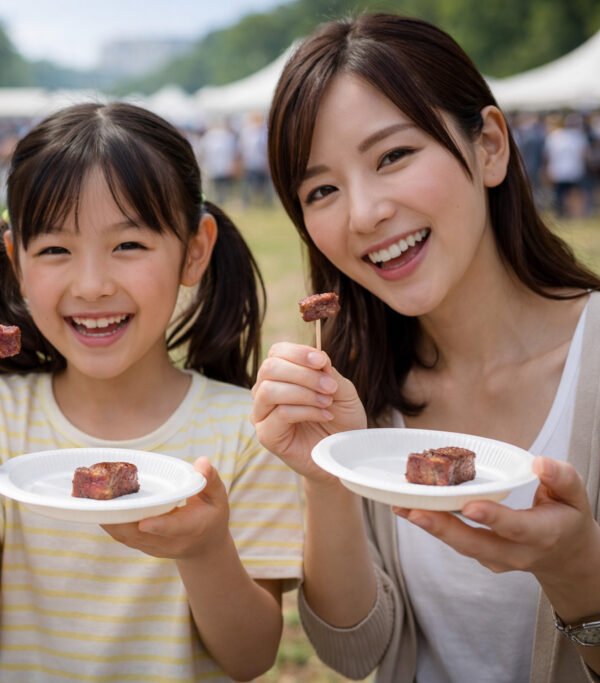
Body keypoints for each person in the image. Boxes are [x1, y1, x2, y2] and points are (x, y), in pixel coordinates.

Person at [252, 13, 600, 683]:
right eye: (321, 189)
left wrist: (579, 571)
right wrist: (328, 479)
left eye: (393, 156)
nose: (363, 213)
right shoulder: (358, 394)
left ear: (490, 147)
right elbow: (356, 651)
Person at [0, 102, 304, 681]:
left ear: (194, 250)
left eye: (129, 246)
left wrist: (204, 548)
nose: (92, 285)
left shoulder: (247, 431)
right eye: (56, 250)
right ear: (16, 260)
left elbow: (251, 656)